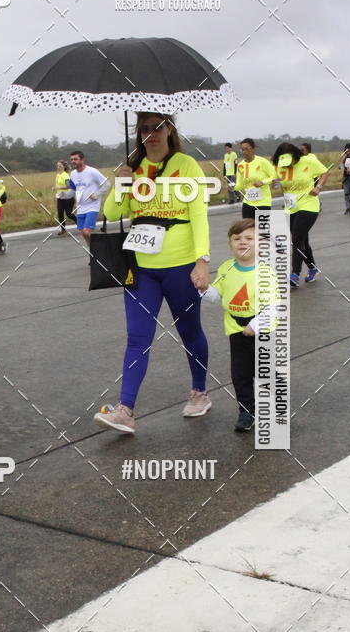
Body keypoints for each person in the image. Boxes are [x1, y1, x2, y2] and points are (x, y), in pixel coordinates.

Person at [93, 113, 211, 434]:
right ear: (138, 134)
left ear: (170, 129)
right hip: (141, 268)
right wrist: (121, 184)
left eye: (158, 127)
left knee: (189, 332)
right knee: (137, 338)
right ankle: (125, 409)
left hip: (181, 265)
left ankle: (200, 391)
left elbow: (199, 215)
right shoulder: (134, 168)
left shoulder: (186, 166)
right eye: (145, 129)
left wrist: (202, 260)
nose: (151, 134)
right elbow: (114, 213)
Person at [202, 219, 278, 432]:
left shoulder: (266, 272)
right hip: (236, 330)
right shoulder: (227, 268)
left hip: (263, 331)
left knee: (266, 372)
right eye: (237, 238)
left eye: (249, 238)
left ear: (260, 244)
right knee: (240, 374)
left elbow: (274, 305)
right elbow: (218, 297)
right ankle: (247, 411)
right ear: (229, 244)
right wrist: (204, 289)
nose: (242, 242)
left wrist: (255, 324)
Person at [271, 142, 329, 287]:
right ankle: (312, 268)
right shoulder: (279, 166)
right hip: (291, 206)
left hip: (309, 204)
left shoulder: (308, 161)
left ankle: (294, 274)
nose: (287, 165)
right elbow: (280, 184)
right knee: (302, 240)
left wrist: (319, 187)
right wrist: (275, 184)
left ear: (296, 156)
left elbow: (325, 172)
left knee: (296, 239)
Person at [69, 150, 108, 245]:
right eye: (71, 159)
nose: (73, 161)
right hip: (80, 207)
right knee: (83, 233)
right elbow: (75, 189)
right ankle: (93, 253)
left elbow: (107, 184)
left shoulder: (92, 171)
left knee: (87, 231)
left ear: (82, 160)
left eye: (75, 159)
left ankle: (101, 248)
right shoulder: (73, 174)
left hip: (92, 206)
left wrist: (97, 194)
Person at [234, 138, 276, 219]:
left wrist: (263, 182)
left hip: (263, 203)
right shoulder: (240, 165)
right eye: (242, 150)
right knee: (248, 230)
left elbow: (275, 175)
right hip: (248, 203)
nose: (244, 152)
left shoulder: (262, 162)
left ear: (253, 149)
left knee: (262, 231)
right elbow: (240, 185)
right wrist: (233, 187)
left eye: (246, 149)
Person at [53, 159, 75, 235]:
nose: (58, 167)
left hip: (68, 197)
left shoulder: (65, 175)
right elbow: (58, 186)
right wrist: (55, 189)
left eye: (60, 166)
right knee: (60, 214)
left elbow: (69, 186)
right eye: (57, 166)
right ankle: (63, 229)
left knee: (69, 214)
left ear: (64, 167)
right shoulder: (58, 175)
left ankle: (82, 225)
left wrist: (58, 187)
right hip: (60, 197)